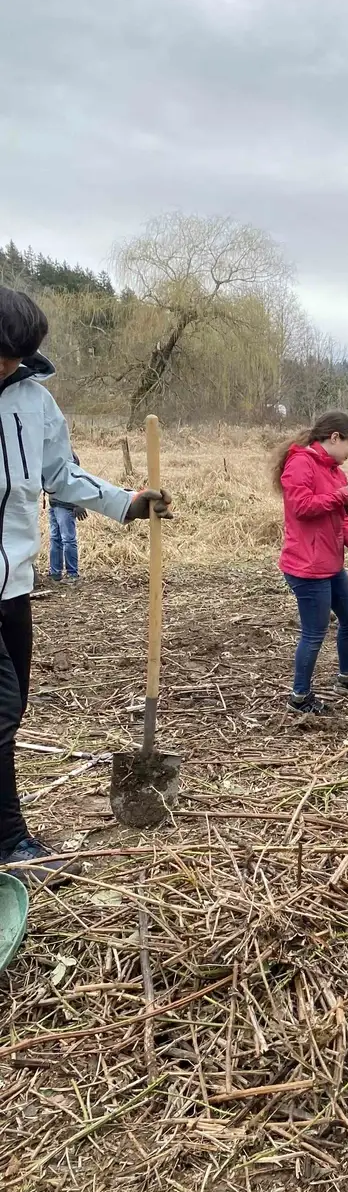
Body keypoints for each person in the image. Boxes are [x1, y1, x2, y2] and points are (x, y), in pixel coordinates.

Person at [0, 286, 172, 882]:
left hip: (13, 583)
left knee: (12, 708)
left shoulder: (35, 403)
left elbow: (59, 475)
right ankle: (10, 843)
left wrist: (127, 502)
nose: (7, 364)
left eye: (15, 355)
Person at [273, 411, 348, 716]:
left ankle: (346, 677)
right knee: (314, 632)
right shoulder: (300, 464)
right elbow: (302, 507)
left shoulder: (336, 472)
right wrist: (339, 496)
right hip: (306, 567)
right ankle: (299, 698)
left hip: (331, 563)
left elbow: (344, 521)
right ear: (334, 437)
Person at [48, 450, 88, 585]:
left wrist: (79, 502)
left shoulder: (70, 457)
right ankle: (55, 573)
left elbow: (77, 479)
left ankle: (72, 574)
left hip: (66, 505)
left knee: (68, 539)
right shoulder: (54, 454)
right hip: (54, 503)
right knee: (55, 538)